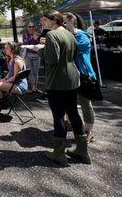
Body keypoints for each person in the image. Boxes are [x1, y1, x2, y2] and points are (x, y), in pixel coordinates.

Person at [40, 9, 90, 166]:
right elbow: (74, 54)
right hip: (72, 78)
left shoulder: (51, 35)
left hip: (57, 80)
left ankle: (59, 153)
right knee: (74, 113)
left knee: (59, 115)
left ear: (54, 20)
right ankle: (82, 151)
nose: (42, 22)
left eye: (44, 20)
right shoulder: (70, 33)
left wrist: (42, 50)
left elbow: (51, 59)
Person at [64, 12, 97, 143]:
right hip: (68, 74)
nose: (63, 24)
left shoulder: (83, 36)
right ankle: (70, 123)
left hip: (83, 74)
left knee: (85, 103)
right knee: (68, 101)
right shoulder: (66, 35)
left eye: (65, 21)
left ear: (72, 21)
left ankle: (88, 132)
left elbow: (74, 50)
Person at [0, 41, 27, 110]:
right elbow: (9, 75)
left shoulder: (17, 61)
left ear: (13, 49)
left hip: (19, 86)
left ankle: (3, 103)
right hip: (13, 83)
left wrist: (3, 82)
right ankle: (2, 102)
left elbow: (14, 78)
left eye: (7, 48)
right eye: (5, 48)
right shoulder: (10, 59)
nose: (5, 50)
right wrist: (1, 80)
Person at [22, 23, 41, 93]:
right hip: (28, 55)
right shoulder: (25, 35)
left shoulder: (38, 34)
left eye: (33, 26)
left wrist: (37, 39)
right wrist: (31, 38)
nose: (31, 28)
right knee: (30, 71)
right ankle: (33, 86)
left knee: (36, 71)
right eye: (30, 27)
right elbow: (24, 44)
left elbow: (40, 43)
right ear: (27, 28)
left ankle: (35, 87)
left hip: (37, 55)